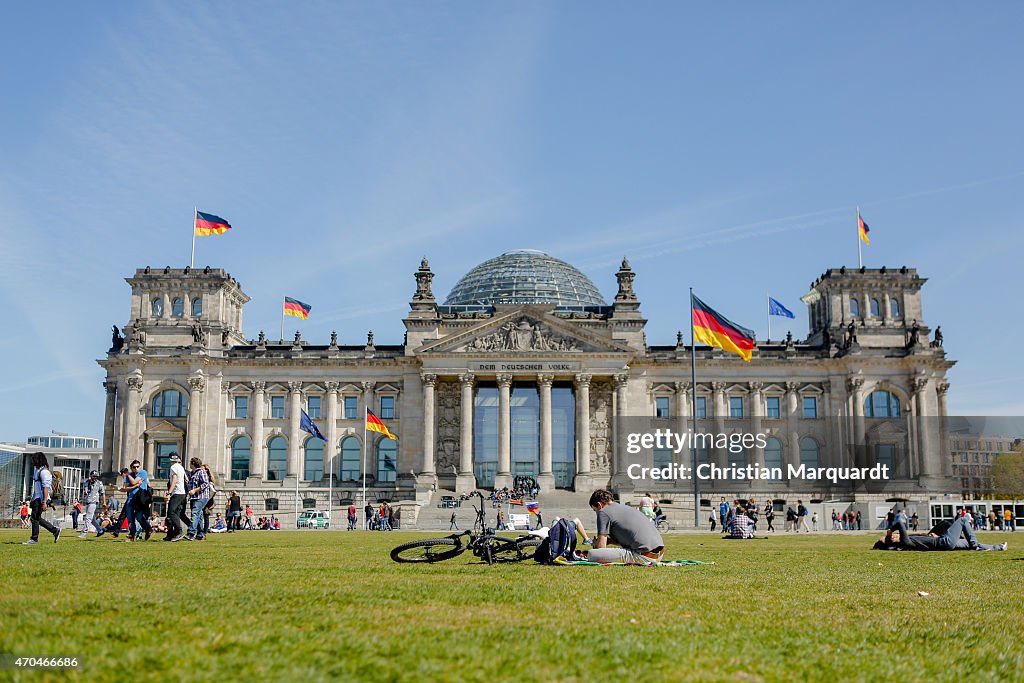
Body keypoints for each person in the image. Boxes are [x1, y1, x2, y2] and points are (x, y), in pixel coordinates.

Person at [572, 489, 665, 565]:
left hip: (645, 556)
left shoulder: (603, 512)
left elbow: (601, 549)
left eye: (595, 510)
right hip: (659, 554)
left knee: (593, 554)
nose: (596, 513)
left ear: (600, 505)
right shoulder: (624, 508)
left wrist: (596, 544)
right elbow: (630, 537)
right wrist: (609, 541)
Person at [874, 509, 1007, 551]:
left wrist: (932, 536)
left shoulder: (906, 543)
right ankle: (974, 546)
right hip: (944, 542)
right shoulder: (905, 542)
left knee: (967, 544)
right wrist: (890, 530)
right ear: (892, 540)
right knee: (962, 520)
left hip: (943, 542)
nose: (894, 535)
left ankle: (999, 547)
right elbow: (900, 524)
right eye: (890, 537)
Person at [23, 452, 62, 545]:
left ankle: (34, 539)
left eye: (34, 460)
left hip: (41, 498)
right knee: (36, 518)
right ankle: (55, 530)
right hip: (36, 497)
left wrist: (44, 502)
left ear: (38, 460)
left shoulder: (44, 472)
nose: (33, 462)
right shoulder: (37, 470)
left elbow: (46, 488)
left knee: (34, 518)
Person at [122, 459, 152, 542]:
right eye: (134, 467)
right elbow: (125, 487)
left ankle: (148, 529)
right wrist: (128, 476)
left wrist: (128, 475)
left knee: (139, 517)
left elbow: (134, 482)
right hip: (131, 498)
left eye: (137, 467)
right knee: (130, 517)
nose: (136, 469)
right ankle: (132, 534)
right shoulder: (130, 475)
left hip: (140, 498)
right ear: (131, 468)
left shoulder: (143, 473)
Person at [185, 457, 212, 541]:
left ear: (193, 464)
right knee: (199, 515)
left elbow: (205, 484)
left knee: (195, 513)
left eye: (190, 463)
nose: (189, 464)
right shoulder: (193, 473)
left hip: (201, 496)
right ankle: (200, 534)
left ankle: (191, 532)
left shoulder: (201, 472)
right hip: (194, 497)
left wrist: (195, 490)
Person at [164, 453, 189, 541]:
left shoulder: (173, 467)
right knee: (176, 513)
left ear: (170, 460)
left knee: (171, 512)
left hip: (177, 493)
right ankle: (175, 533)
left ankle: (180, 531)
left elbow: (174, 480)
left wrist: (169, 492)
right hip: (182, 493)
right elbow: (186, 479)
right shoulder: (180, 467)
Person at [79, 471, 107, 538]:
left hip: (94, 502)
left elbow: (103, 493)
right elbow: (85, 491)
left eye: (96, 476)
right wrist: (84, 494)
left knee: (88, 517)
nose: (95, 478)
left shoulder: (99, 483)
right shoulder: (87, 482)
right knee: (92, 519)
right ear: (91, 476)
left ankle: (84, 533)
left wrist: (104, 502)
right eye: (94, 476)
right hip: (88, 501)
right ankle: (100, 530)